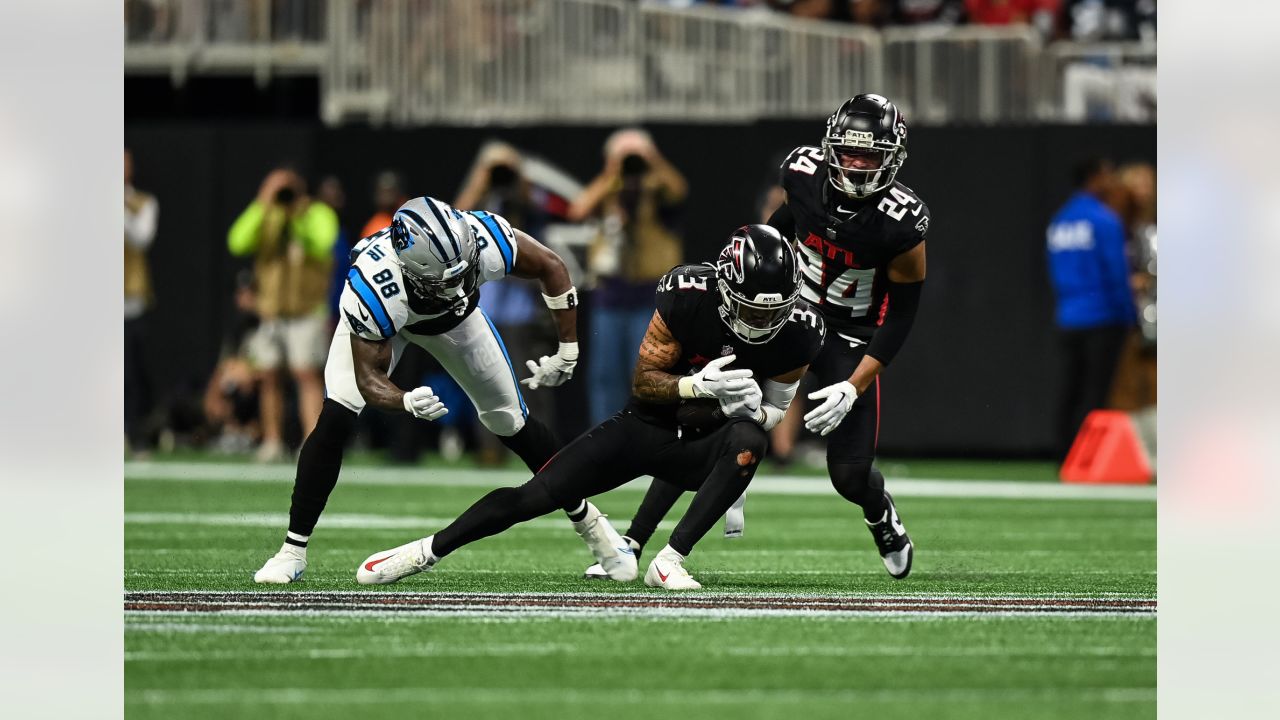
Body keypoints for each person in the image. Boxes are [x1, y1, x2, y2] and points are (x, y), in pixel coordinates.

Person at [354, 225, 824, 590]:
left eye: (772, 312)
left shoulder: (802, 328)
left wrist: (751, 410)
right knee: (535, 495)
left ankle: (670, 558)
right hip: (644, 426)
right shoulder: (687, 295)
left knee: (749, 439)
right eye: (753, 309)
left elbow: (776, 411)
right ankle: (424, 551)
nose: (761, 322)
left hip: (701, 447)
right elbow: (643, 386)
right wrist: (697, 386)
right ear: (724, 287)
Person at [598, 95, 927, 581]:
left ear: (892, 157)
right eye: (849, 151)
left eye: (869, 154)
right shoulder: (802, 173)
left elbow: (900, 317)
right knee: (702, 421)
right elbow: (779, 232)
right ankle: (632, 542)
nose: (856, 164)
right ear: (830, 146)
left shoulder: (902, 220)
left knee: (850, 475)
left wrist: (852, 385)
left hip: (850, 336)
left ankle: (880, 515)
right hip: (788, 318)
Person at [252, 196, 632, 584]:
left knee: (512, 422)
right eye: (444, 280)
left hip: (457, 324)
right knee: (337, 414)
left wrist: (568, 349)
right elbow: (368, 379)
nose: (457, 286)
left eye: (463, 272)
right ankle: (292, 551)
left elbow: (551, 265)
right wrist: (402, 400)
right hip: (392, 324)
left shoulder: (484, 234)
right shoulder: (374, 284)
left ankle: (596, 531)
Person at [569, 129, 688, 426]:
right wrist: (613, 172)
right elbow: (578, 209)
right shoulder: (608, 191)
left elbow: (679, 190)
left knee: (652, 371)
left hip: (651, 294)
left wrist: (652, 161)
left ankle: (652, 434)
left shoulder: (657, 189)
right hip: (610, 294)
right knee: (605, 373)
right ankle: (604, 436)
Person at [228, 167, 340, 462]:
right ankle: (273, 441)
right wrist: (262, 202)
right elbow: (237, 242)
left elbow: (324, 242)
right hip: (271, 310)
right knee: (268, 375)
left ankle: (312, 443)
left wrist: (298, 217)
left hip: (307, 309)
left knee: (306, 373)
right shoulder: (267, 214)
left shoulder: (317, 214)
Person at [1046, 157, 1136, 459]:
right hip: (1104, 317)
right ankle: (1089, 457)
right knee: (1096, 392)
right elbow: (1116, 273)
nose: (1112, 183)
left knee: (1071, 388)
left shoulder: (1060, 220)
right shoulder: (1105, 220)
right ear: (1095, 179)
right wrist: (1128, 315)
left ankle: (1064, 452)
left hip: (1069, 315)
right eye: (1108, 176)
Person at [124, 148, 159, 456]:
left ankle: (136, 436)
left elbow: (140, 238)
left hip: (129, 299)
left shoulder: (143, 203)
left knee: (132, 372)